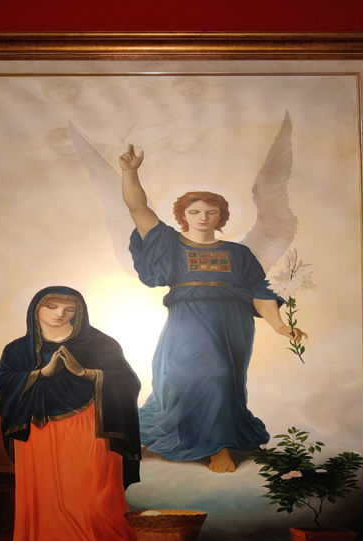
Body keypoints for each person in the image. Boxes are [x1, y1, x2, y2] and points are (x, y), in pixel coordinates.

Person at [118, 145, 308, 473]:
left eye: (211, 211)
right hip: (188, 320)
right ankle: (210, 444)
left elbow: (258, 291)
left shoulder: (239, 253)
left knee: (225, 378)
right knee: (191, 378)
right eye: (195, 212)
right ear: (183, 216)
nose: (203, 217)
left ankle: (218, 444)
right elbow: (138, 207)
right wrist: (130, 172)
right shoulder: (168, 243)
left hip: (232, 323)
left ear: (221, 216)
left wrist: (279, 325)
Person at [0, 287, 145, 541]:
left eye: (69, 309)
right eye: (51, 306)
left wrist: (84, 372)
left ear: (80, 312)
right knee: (47, 495)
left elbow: (128, 382)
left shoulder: (101, 344)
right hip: (39, 429)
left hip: (90, 425)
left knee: (93, 493)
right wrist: (41, 373)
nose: (60, 314)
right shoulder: (18, 349)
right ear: (36, 309)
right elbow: (4, 382)